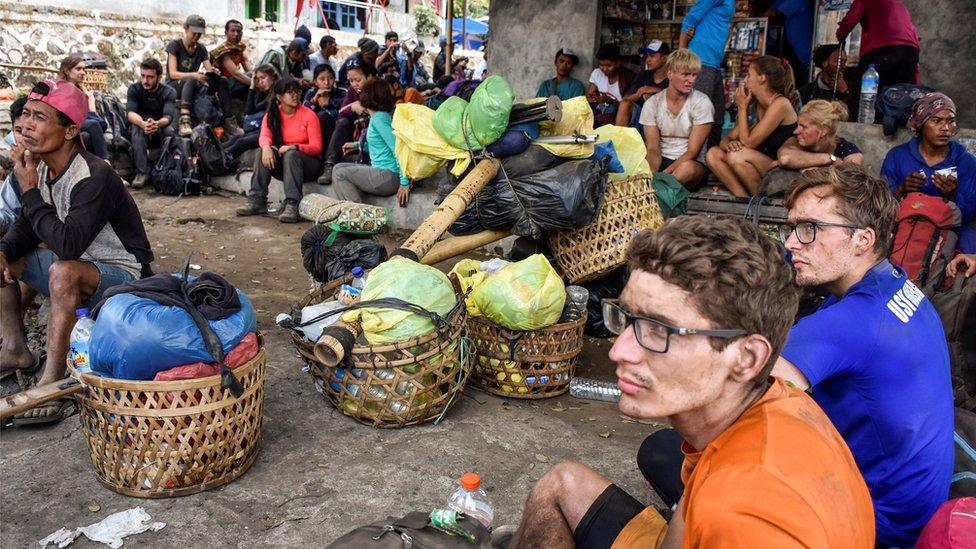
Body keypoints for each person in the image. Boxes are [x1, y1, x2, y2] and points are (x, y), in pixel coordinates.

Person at [505, 215, 874, 549]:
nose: (619, 351)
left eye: (658, 329)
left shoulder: (742, 518)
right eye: (628, 317)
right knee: (561, 483)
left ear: (746, 358)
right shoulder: (775, 401)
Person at [773, 163, 953, 546]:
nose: (791, 243)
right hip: (916, 509)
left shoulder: (848, 322)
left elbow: (739, 399)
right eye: (792, 228)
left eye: (809, 229)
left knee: (666, 454)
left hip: (876, 526)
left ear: (863, 239)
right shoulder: (899, 285)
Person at [0, 80, 154, 424]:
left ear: (70, 130)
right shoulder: (38, 167)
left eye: (39, 117)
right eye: (24, 114)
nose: (26, 124)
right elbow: (26, 227)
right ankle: (14, 349)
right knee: (5, 253)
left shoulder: (94, 174)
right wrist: (4, 249)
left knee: (63, 270)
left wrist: (28, 191)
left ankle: (53, 381)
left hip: (125, 277)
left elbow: (67, 245)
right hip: (77, 265)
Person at [881, 93, 976, 253]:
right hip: (905, 221)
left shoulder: (966, 162)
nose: (945, 128)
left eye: (951, 121)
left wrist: (952, 196)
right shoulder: (897, 156)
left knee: (970, 245)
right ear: (920, 124)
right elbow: (880, 207)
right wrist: (900, 190)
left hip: (947, 226)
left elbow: (967, 216)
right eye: (936, 121)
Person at [706, 56, 799, 196]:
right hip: (760, 165)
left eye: (749, 74)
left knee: (737, 156)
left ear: (762, 78)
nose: (746, 79)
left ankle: (759, 204)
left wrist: (742, 107)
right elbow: (727, 140)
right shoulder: (757, 105)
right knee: (713, 153)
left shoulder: (781, 104)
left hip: (780, 171)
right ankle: (743, 199)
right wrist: (730, 145)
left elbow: (748, 143)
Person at [236, 77, 322, 223]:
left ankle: (293, 205)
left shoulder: (308, 115)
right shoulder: (272, 115)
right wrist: (266, 147)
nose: (295, 95)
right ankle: (257, 201)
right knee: (262, 152)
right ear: (279, 97)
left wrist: (295, 147)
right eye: (290, 92)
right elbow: (264, 136)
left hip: (309, 166)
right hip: (286, 168)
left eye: (297, 92)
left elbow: (316, 147)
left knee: (291, 154)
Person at [330, 79, 410, 207]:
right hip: (382, 172)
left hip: (389, 176)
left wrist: (404, 182)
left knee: (340, 174)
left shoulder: (379, 118)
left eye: (362, 92)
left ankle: (359, 217)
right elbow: (380, 145)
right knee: (338, 168)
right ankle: (356, 214)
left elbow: (397, 148)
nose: (359, 94)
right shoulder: (377, 117)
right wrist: (356, 145)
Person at [640, 49, 713, 189]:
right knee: (640, 168)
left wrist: (665, 175)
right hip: (662, 160)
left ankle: (659, 188)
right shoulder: (653, 104)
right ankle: (655, 188)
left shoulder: (702, 103)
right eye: (686, 74)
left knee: (687, 169)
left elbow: (693, 151)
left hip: (691, 164)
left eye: (694, 75)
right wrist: (651, 174)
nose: (691, 80)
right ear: (670, 74)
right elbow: (653, 149)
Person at [837, 0, 920, 101]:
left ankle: (860, 115)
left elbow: (850, 19)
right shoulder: (900, 6)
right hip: (910, 53)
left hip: (881, 50)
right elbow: (913, 37)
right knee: (898, 99)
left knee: (863, 95)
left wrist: (840, 35)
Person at [680, 0, 735, 146]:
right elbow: (690, 18)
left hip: (713, 63)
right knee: (700, 114)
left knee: (717, 114)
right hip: (702, 59)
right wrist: (682, 54)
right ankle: (695, 158)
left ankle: (710, 156)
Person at [125, 58, 177, 189]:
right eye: (142, 76)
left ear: (159, 77)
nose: (145, 81)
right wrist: (143, 124)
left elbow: (168, 116)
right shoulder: (134, 89)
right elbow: (130, 113)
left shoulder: (168, 92)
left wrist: (156, 124)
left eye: (150, 77)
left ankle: (168, 169)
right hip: (140, 127)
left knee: (170, 131)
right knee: (136, 128)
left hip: (158, 127)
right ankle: (141, 173)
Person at [319, 61, 374, 184]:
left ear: (369, 77)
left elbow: (383, 117)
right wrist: (353, 106)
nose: (354, 84)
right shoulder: (352, 92)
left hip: (372, 137)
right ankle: (329, 165)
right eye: (351, 81)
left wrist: (366, 110)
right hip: (355, 134)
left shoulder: (378, 90)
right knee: (342, 122)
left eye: (358, 80)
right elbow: (341, 114)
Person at [165, 14, 219, 137]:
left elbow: (208, 69)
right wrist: (194, 75)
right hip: (174, 86)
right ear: (186, 28)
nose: (196, 36)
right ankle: (185, 120)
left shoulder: (201, 49)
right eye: (194, 32)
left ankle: (223, 118)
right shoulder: (174, 46)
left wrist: (213, 72)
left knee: (221, 80)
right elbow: (173, 74)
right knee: (190, 80)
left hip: (191, 84)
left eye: (199, 33)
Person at [777, 100, 863, 169]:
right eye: (798, 125)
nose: (795, 131)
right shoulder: (795, 141)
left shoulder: (848, 150)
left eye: (804, 127)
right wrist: (829, 159)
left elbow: (846, 180)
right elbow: (786, 158)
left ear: (823, 130)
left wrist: (803, 165)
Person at [57, 56, 108, 159]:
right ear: (67, 71)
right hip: (65, 125)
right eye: (78, 69)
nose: (83, 72)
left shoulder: (81, 90)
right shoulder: (60, 89)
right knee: (94, 124)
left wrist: (90, 99)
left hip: (79, 126)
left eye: (84, 69)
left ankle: (96, 168)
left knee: (87, 137)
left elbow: (91, 116)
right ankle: (105, 162)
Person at [224, 64, 280, 159]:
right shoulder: (268, 94)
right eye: (259, 79)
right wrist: (252, 86)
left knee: (241, 142)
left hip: (275, 133)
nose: (261, 82)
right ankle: (213, 152)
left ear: (273, 77)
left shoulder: (279, 92)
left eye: (263, 77)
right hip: (266, 130)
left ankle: (219, 159)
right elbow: (250, 111)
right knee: (237, 138)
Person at [616, 40, 670, 128]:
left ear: (664, 58)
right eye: (647, 56)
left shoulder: (673, 76)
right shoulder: (643, 75)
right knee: (625, 104)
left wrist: (655, 90)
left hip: (665, 121)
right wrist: (639, 93)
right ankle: (619, 140)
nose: (647, 60)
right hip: (643, 119)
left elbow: (679, 98)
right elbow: (625, 98)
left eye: (652, 56)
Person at [209, 19, 252, 130]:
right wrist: (256, 83)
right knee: (253, 81)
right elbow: (236, 73)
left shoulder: (240, 48)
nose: (236, 34)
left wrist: (256, 79)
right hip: (222, 87)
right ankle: (230, 122)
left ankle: (250, 117)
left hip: (234, 84)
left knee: (253, 76)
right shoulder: (222, 51)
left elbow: (249, 69)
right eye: (232, 31)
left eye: (238, 31)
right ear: (226, 33)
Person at [765, 0, 814, 84]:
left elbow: (774, 12)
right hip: (788, 47)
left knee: (799, 81)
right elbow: (771, 9)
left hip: (801, 50)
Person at [587, 43, 634, 126]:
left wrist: (610, 100)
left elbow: (629, 106)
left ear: (617, 63)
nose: (604, 69)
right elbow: (590, 94)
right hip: (601, 114)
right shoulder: (597, 73)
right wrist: (594, 98)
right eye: (601, 65)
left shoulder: (628, 77)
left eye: (608, 65)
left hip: (621, 117)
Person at [0, 97, 28, 234]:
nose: (25, 137)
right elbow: (9, 214)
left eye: (30, 129)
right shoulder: (16, 176)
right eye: (18, 130)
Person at [302, 64, 343, 153]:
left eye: (330, 78)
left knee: (323, 115)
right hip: (315, 133)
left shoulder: (341, 92)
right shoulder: (311, 93)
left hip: (336, 131)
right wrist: (314, 100)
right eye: (322, 79)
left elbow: (346, 107)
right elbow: (303, 114)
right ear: (315, 82)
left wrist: (330, 102)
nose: (327, 83)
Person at [798, 44, 852, 109]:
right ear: (824, 63)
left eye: (844, 62)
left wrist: (845, 92)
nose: (843, 66)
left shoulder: (850, 87)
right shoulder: (806, 92)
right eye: (838, 62)